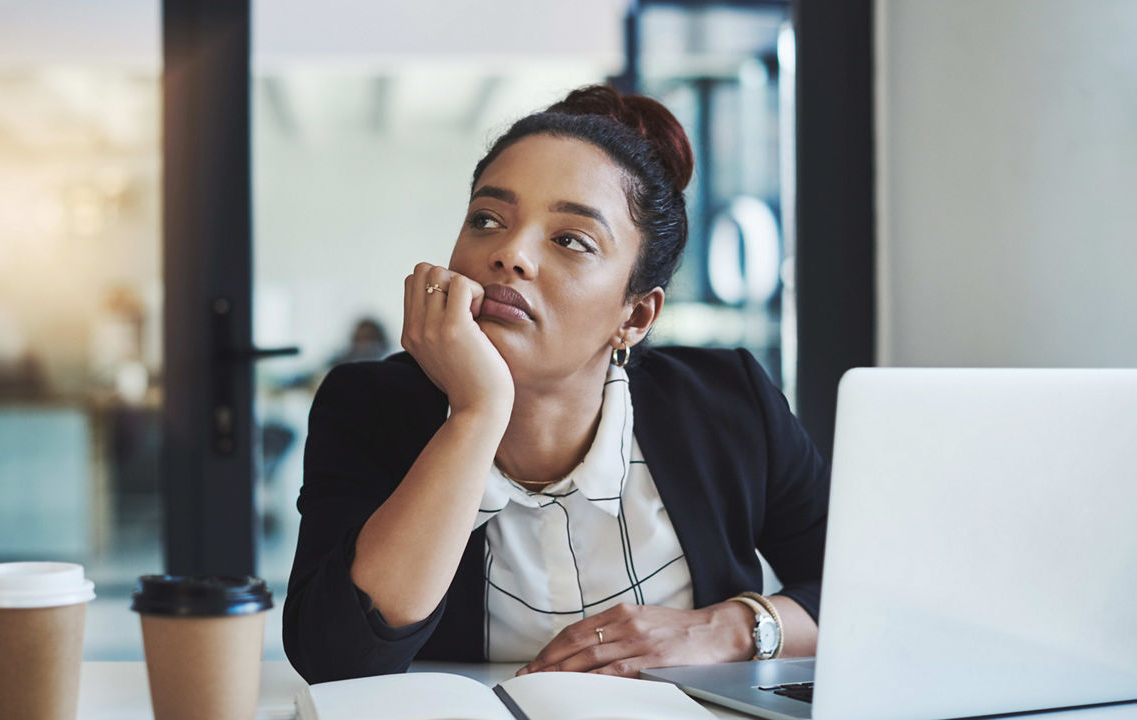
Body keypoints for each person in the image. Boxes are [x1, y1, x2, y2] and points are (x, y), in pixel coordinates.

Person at [282, 85, 829, 684]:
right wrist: (476, 411)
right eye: (486, 220)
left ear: (636, 316)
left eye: (571, 240)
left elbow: (867, 594)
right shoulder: (368, 405)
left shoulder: (730, 401)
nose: (509, 253)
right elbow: (333, 658)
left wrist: (728, 628)